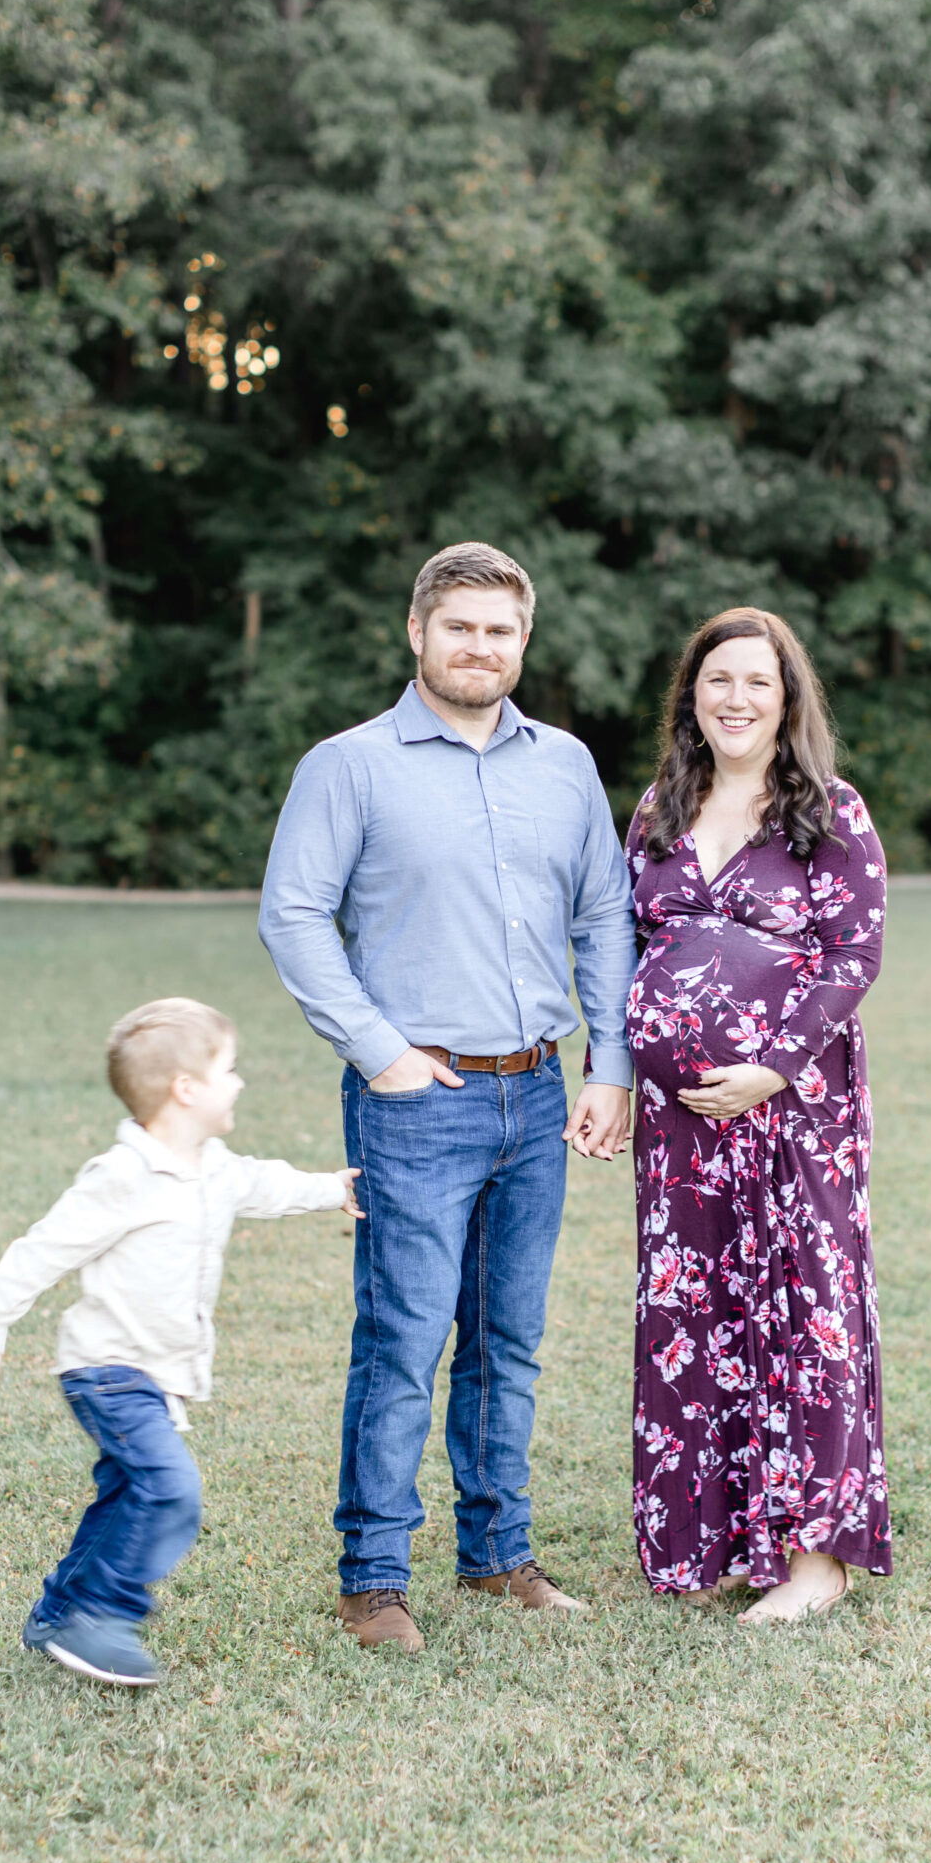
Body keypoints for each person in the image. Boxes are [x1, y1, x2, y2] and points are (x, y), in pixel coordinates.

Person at [259, 542, 636, 1654]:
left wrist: (608, 1063)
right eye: (460, 626)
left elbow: (605, 917)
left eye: (502, 630)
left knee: (509, 1340)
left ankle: (496, 1555)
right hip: (418, 1096)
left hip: (539, 1095)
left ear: (525, 642)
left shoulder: (565, 765)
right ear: (417, 632)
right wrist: (376, 1050)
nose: (482, 647)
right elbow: (293, 914)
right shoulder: (351, 765)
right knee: (404, 1338)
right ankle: (373, 1577)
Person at [0, 998, 359, 1686]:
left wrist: (332, 1189)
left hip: (157, 1375)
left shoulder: (215, 1167)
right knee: (169, 1488)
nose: (239, 1082)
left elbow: (266, 1185)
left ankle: (57, 1614)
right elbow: (44, 1248)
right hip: (106, 1370)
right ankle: (102, 1617)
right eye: (228, 1069)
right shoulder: (123, 1176)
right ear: (186, 1089)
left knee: (122, 1496)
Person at [626, 608, 889, 1623]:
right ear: (692, 693)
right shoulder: (660, 806)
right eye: (718, 680)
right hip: (682, 1129)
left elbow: (855, 956)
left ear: (788, 701)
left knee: (800, 1306)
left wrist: (773, 1068)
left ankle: (817, 1555)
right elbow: (627, 941)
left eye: (758, 683)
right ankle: (732, 1538)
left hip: (795, 1110)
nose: (736, 699)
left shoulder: (829, 810)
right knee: (699, 1314)